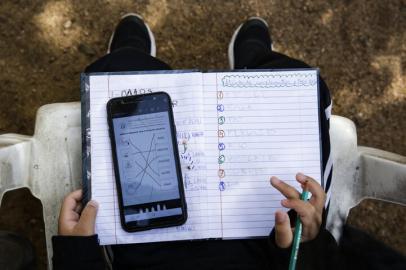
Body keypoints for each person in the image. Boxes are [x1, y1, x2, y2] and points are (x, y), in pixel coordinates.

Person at [52, 15, 336, 270]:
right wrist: (304, 244)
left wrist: (77, 253)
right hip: (264, 240)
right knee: (299, 80)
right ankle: (254, 58)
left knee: (121, 67)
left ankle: (132, 55)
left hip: (148, 246)